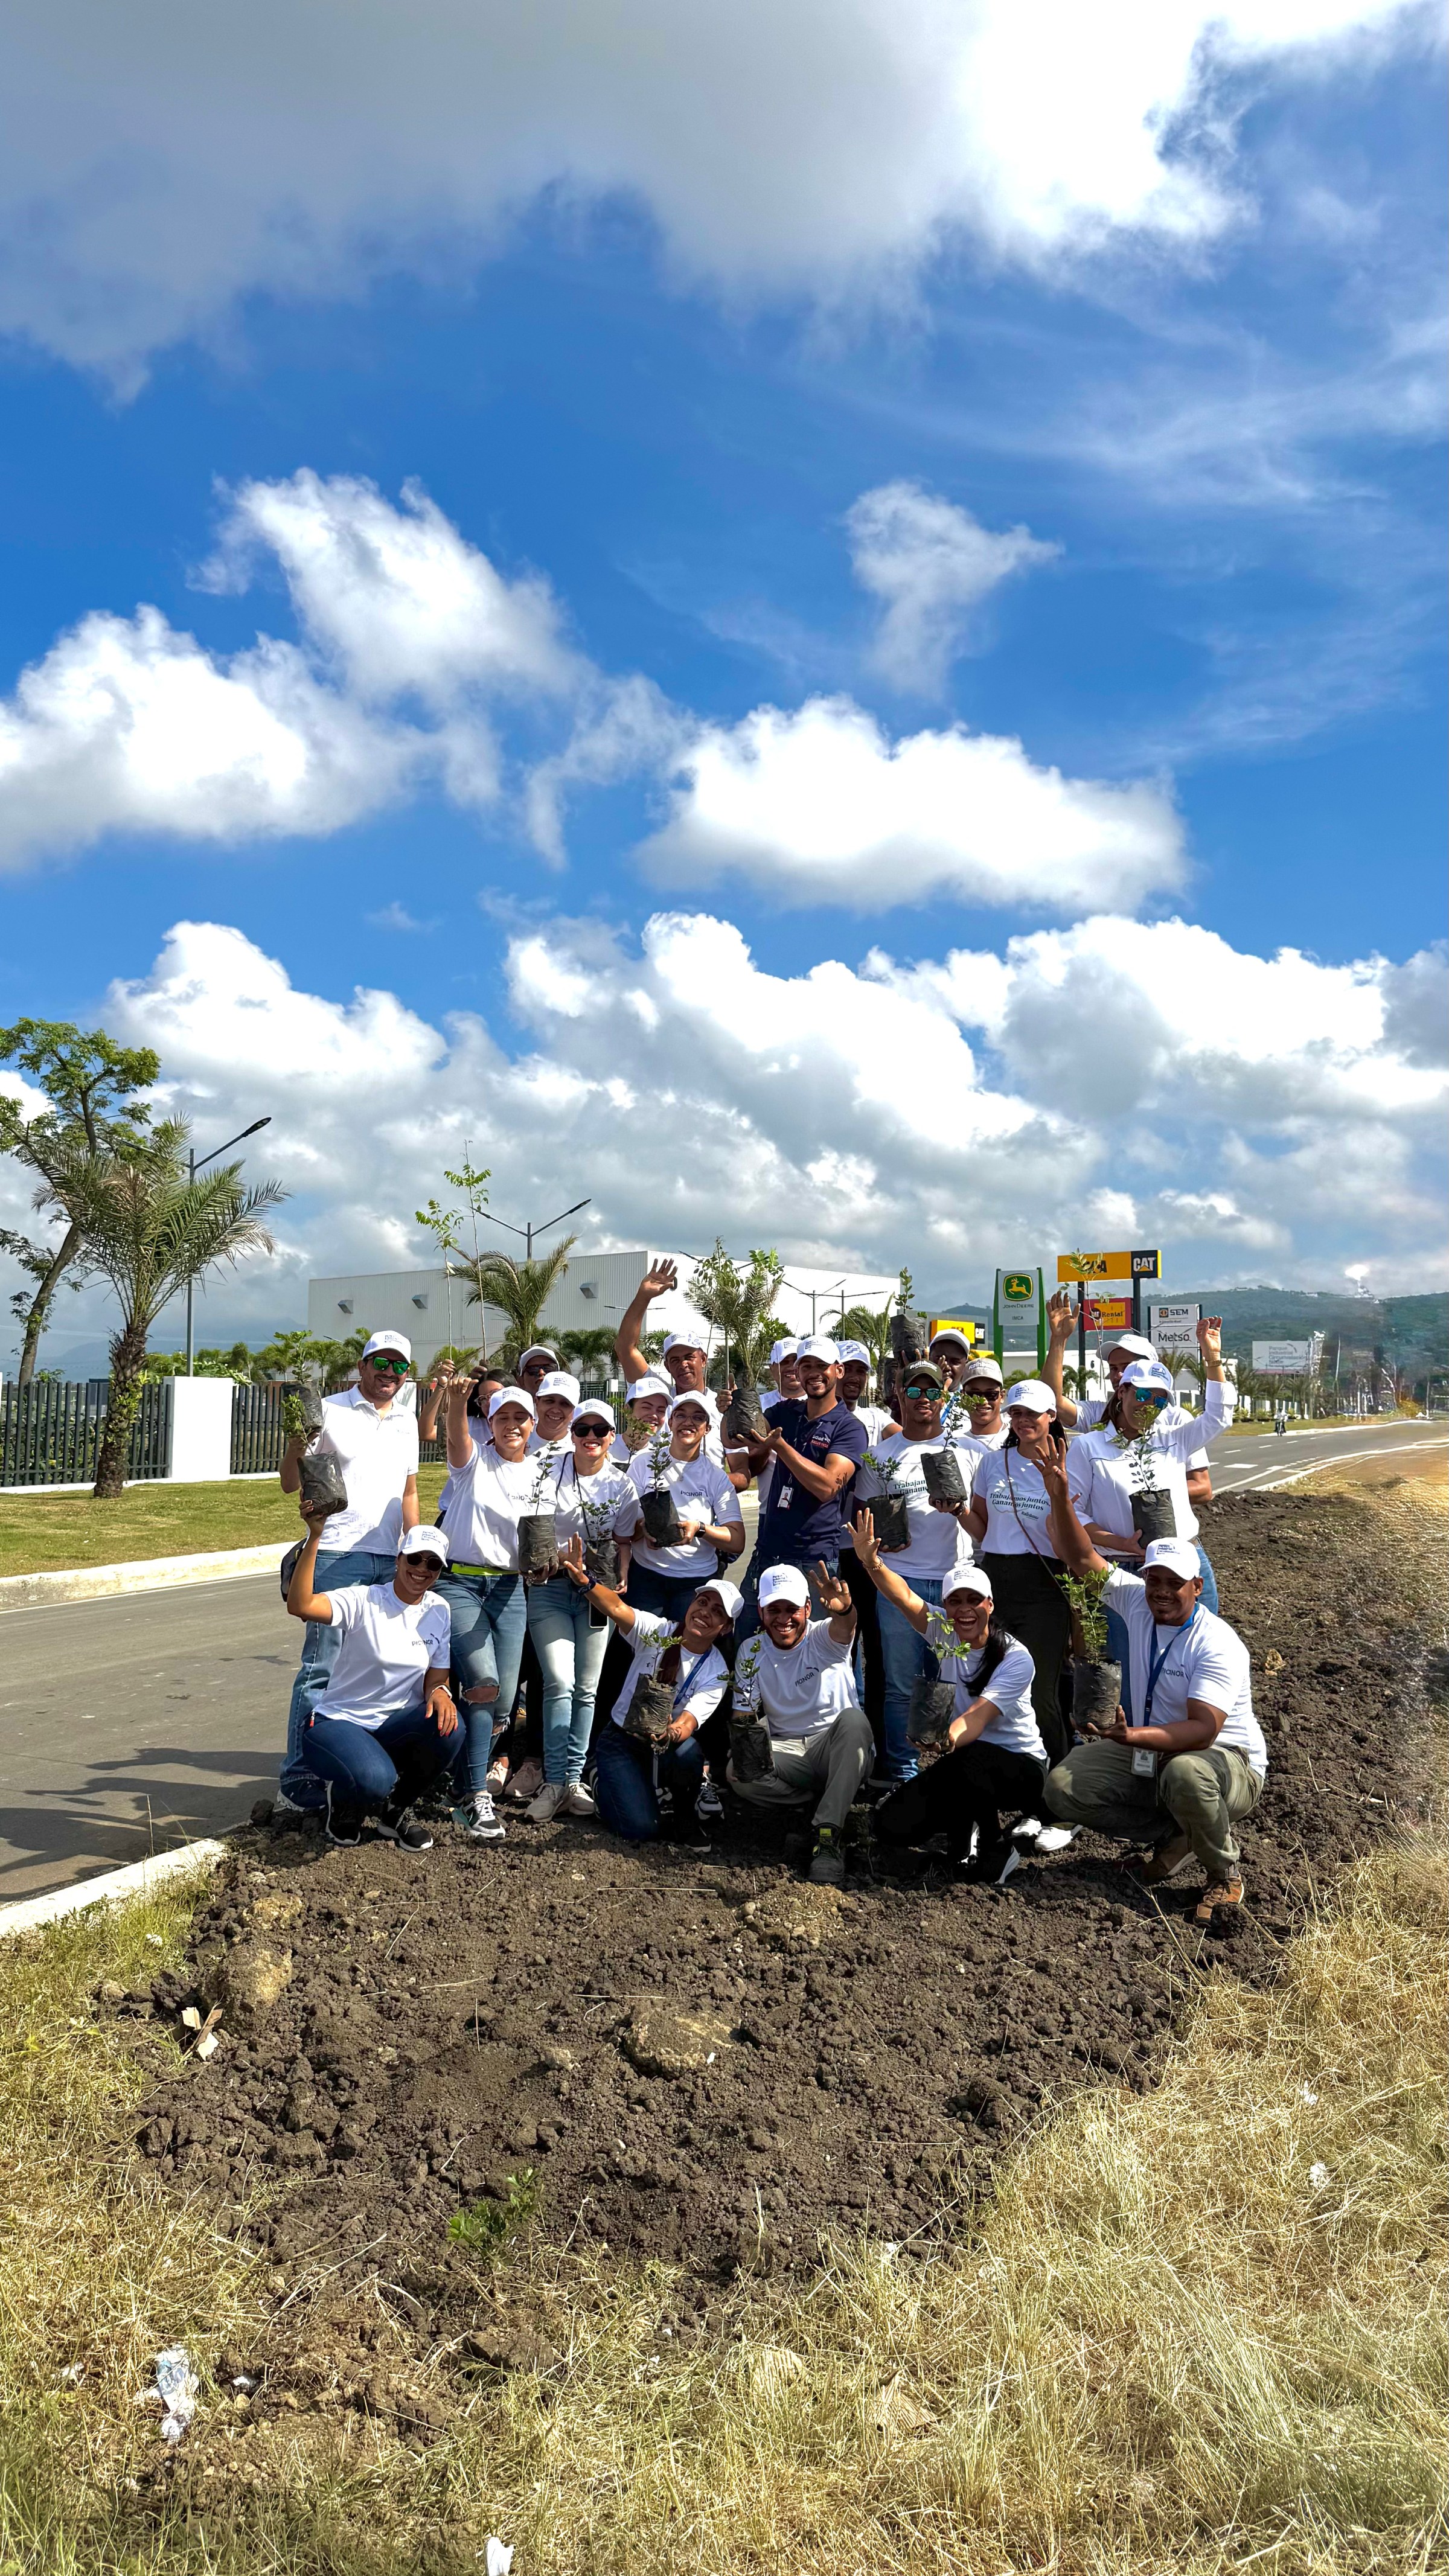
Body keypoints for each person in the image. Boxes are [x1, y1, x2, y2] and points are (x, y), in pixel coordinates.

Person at [1037, 1441, 1267, 1918]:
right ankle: (1177, 1834)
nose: (1161, 1592)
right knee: (1062, 1786)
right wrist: (1060, 1498)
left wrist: (1131, 1736)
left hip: (1226, 1761)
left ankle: (1224, 1875)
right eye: (1153, 1580)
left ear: (1197, 1587)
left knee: (1186, 1773)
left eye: (1174, 1583)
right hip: (1154, 1748)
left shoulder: (1216, 1642)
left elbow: (1202, 1730)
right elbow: (1081, 1558)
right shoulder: (1136, 1603)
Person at [277, 1329, 422, 1818]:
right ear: (361, 1366)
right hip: (338, 1553)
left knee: (377, 1667)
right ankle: (299, 1774)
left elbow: (408, 1492)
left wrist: (415, 1547)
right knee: (322, 1667)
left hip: (389, 1557)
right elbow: (289, 1482)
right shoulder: (329, 1410)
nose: (389, 1372)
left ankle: (353, 1765)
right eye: (380, 1362)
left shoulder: (405, 1419)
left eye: (399, 1365)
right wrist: (299, 1436)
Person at [855, 1530, 1047, 1886]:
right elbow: (904, 1597)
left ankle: (994, 1847)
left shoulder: (1015, 1658)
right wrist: (872, 1562)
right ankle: (964, 1827)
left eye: (974, 1600)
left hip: (1021, 1768)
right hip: (965, 1763)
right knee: (891, 1825)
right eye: (955, 1602)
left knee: (970, 1759)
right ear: (946, 1607)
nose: (964, 1609)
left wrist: (946, 1738)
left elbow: (977, 1718)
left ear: (990, 1605)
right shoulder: (944, 1631)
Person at [284, 1511, 457, 1850]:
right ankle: (343, 1804)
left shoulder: (439, 1609)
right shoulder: (364, 1600)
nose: (422, 1569)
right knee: (376, 1778)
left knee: (452, 1727)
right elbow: (300, 1605)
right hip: (339, 1723)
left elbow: (438, 1673)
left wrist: (439, 1691)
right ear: (398, 1559)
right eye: (415, 1559)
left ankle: (395, 1812)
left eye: (433, 1564)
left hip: (393, 1726)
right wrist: (315, 1536)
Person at [556, 1536, 741, 1842]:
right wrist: (586, 1582)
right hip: (621, 1740)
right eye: (702, 1602)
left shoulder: (717, 1671)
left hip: (663, 1744)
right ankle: (603, 1782)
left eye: (718, 1612)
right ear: (691, 1604)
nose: (705, 1612)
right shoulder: (658, 1630)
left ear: (726, 1628)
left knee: (689, 1754)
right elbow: (617, 1607)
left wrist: (669, 1734)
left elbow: (688, 1723)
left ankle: (683, 1813)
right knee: (641, 1829)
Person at [1043, 1294, 1220, 1599]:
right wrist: (1058, 1341)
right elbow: (1052, 1403)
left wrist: (1139, 1491)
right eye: (1114, 1368)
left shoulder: (1176, 1422)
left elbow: (1203, 1487)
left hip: (1180, 1552)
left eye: (1127, 1366)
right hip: (1121, 1559)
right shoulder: (1096, 1419)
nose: (1118, 1374)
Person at [435, 1380, 551, 1841]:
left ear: (532, 1424)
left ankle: (458, 1775)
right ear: (491, 1422)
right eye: (503, 1417)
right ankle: (474, 1793)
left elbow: (540, 1541)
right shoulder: (473, 1462)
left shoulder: (540, 1475)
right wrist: (456, 1403)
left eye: (521, 1418)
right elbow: (456, 1438)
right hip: (461, 1582)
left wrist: (548, 1563)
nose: (512, 1425)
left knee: (504, 1702)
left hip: (509, 1587)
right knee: (483, 1682)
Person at [852, 1358, 975, 1783]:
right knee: (901, 1685)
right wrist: (881, 1541)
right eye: (915, 1391)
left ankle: (950, 1773)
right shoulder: (880, 1457)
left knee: (955, 1682)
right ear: (900, 1395)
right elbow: (866, 1515)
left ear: (944, 1396)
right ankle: (903, 1775)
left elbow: (982, 1519)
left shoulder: (965, 1450)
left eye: (932, 1391)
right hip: (898, 1583)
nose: (924, 1398)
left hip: (955, 1582)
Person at [523, 1399, 641, 1822]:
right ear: (572, 1434)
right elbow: (532, 1535)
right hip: (551, 1588)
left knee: (587, 1688)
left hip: (596, 1595)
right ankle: (555, 1781)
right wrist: (560, 1559)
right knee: (559, 1681)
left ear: (612, 1436)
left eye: (600, 1430)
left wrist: (621, 1573)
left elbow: (623, 1541)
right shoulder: (545, 1471)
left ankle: (573, 1780)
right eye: (583, 1429)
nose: (591, 1437)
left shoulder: (621, 1484)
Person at [726, 1562, 875, 1885]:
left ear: (808, 1608)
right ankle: (826, 1805)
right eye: (774, 1610)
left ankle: (827, 1835)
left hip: (835, 1746)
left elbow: (846, 1625)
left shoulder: (824, 1636)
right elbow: (743, 1717)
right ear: (761, 1611)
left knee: (854, 1721)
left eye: (792, 1609)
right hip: (788, 1750)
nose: (784, 1619)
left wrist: (844, 1609)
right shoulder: (751, 1651)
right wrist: (744, 1748)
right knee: (739, 1769)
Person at [955, 1378, 1072, 1766]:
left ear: (1051, 1416)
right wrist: (957, 1511)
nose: (1023, 1421)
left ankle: (1056, 1782)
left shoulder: (1069, 1462)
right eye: (1016, 1413)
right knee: (992, 1683)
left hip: (1044, 1584)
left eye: (1031, 1414)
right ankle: (1002, 1774)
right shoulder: (993, 1462)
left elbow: (1072, 1537)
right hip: (996, 1580)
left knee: (1040, 1691)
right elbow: (983, 1529)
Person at [737, 1337, 868, 1628]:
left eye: (822, 1366)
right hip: (768, 1552)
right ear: (798, 1372)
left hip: (815, 1561)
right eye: (806, 1366)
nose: (814, 1373)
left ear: (838, 1371)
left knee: (816, 1645)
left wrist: (781, 1447)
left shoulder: (850, 1428)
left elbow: (828, 1487)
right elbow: (740, 1436)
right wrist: (734, 1408)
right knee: (748, 1636)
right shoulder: (786, 1412)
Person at [626, 1393, 746, 1620]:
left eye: (698, 1417)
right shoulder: (644, 1464)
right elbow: (624, 1527)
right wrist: (644, 1528)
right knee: (644, 1640)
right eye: (681, 1415)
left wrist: (700, 1529)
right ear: (671, 1422)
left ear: (707, 1428)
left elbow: (737, 1540)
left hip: (695, 1581)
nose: (688, 1422)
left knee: (684, 1640)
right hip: (646, 1576)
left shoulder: (716, 1477)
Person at [835, 1337, 892, 1745]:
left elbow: (912, 1439)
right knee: (840, 1642)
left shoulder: (875, 1418)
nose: (854, 1378)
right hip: (828, 1546)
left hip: (865, 1547)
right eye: (848, 1369)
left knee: (875, 1640)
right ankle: (843, 1727)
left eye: (861, 1370)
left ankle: (873, 1733)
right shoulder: (814, 1416)